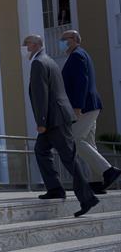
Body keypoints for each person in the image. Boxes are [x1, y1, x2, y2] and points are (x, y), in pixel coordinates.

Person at [23, 35, 99, 217]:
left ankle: (87, 198)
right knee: (41, 150)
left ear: (35, 45)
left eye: (27, 45)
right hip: (56, 117)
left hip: (53, 119)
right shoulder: (49, 61)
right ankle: (55, 188)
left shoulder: (39, 63)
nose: (25, 49)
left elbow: (41, 95)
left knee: (69, 158)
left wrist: (41, 122)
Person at [60, 30, 121, 194]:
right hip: (91, 105)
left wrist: (77, 107)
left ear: (73, 40)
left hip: (85, 106)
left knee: (74, 140)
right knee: (89, 142)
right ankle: (98, 181)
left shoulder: (77, 56)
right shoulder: (81, 54)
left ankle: (108, 170)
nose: (61, 42)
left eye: (63, 39)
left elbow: (82, 82)